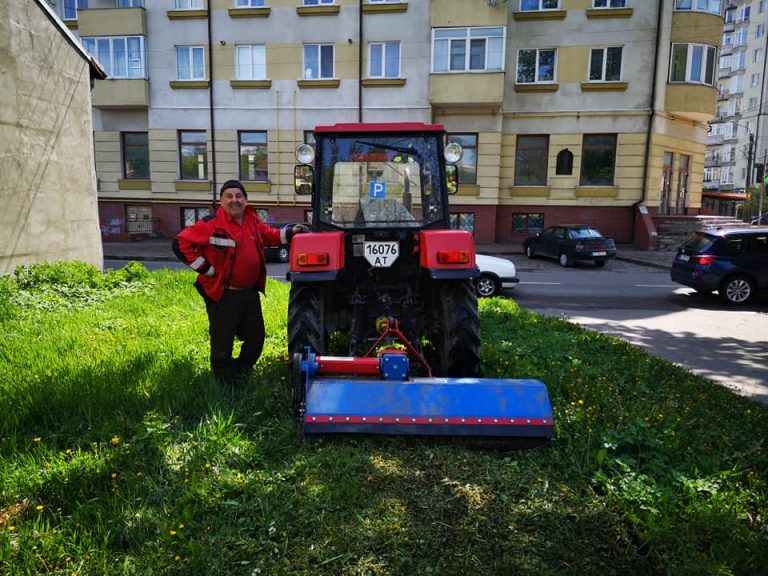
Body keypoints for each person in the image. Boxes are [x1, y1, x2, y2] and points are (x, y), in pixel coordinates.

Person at [173, 179, 308, 383]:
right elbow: (180, 243)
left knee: (256, 339)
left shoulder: (252, 221)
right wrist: (206, 269)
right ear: (221, 201)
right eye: (229, 196)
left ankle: (240, 372)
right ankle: (224, 385)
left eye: (239, 196)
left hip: (249, 293)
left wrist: (291, 233)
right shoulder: (211, 224)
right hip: (224, 293)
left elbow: (269, 235)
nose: (234, 200)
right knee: (222, 342)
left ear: (245, 200)